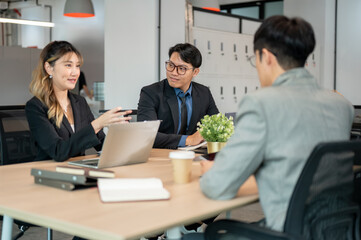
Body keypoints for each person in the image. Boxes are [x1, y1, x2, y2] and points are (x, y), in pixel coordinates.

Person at [183, 15, 354, 239]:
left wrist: (213, 172)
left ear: (266, 56)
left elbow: (217, 187)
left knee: (192, 237)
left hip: (286, 232)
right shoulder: (342, 105)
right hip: (335, 229)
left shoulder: (261, 103)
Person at [26, 41, 131, 162]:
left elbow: (102, 145)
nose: (75, 72)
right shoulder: (36, 106)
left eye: (77, 66)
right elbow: (58, 151)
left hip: (78, 169)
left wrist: (119, 133)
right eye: (68, 65)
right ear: (49, 68)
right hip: (51, 172)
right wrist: (97, 124)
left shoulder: (79, 102)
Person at [137, 43, 219, 149]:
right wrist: (189, 139)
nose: (174, 73)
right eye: (171, 65)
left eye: (182, 68)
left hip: (194, 155)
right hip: (162, 155)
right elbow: (147, 135)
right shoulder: (150, 93)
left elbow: (216, 125)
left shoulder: (204, 93)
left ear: (195, 72)